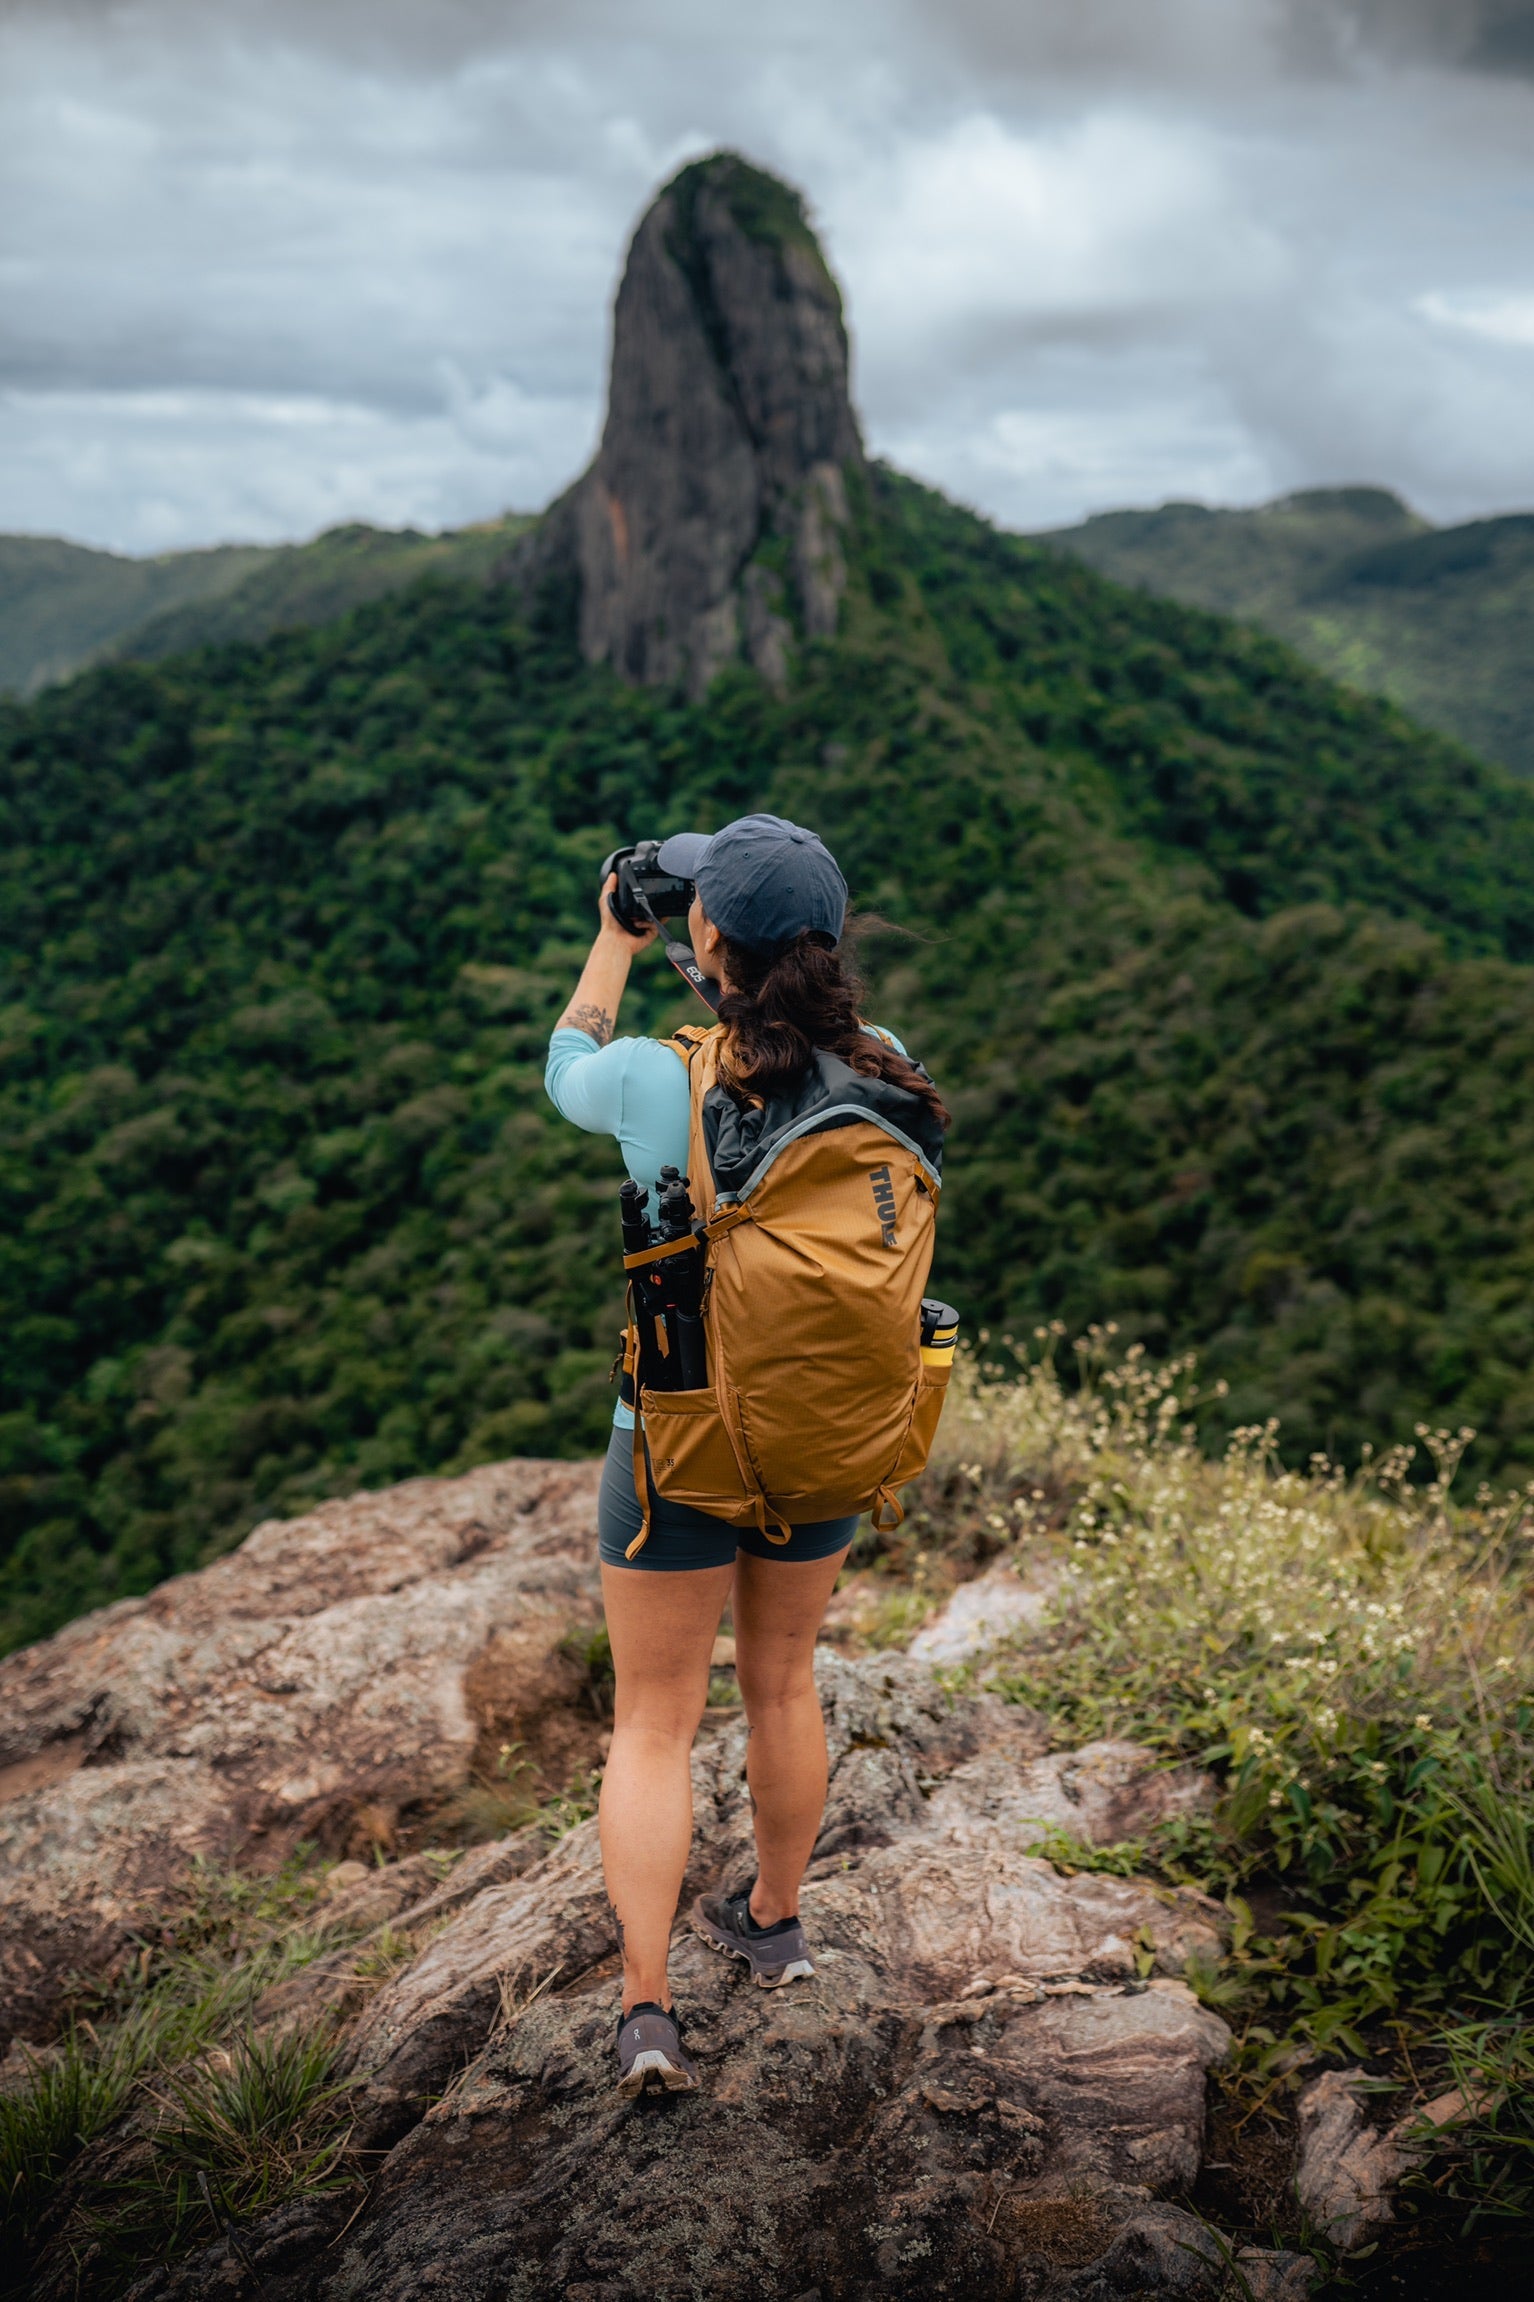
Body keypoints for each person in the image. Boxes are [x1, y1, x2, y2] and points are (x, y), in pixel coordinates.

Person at [544, 813, 949, 2095]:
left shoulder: (667, 1077)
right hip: (827, 1433)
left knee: (655, 1723)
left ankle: (649, 2010)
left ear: (704, 932)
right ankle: (773, 1926)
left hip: (675, 1444)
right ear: (828, 940)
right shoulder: (893, 1071)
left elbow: (565, 1066)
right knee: (783, 1684)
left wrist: (616, 938)